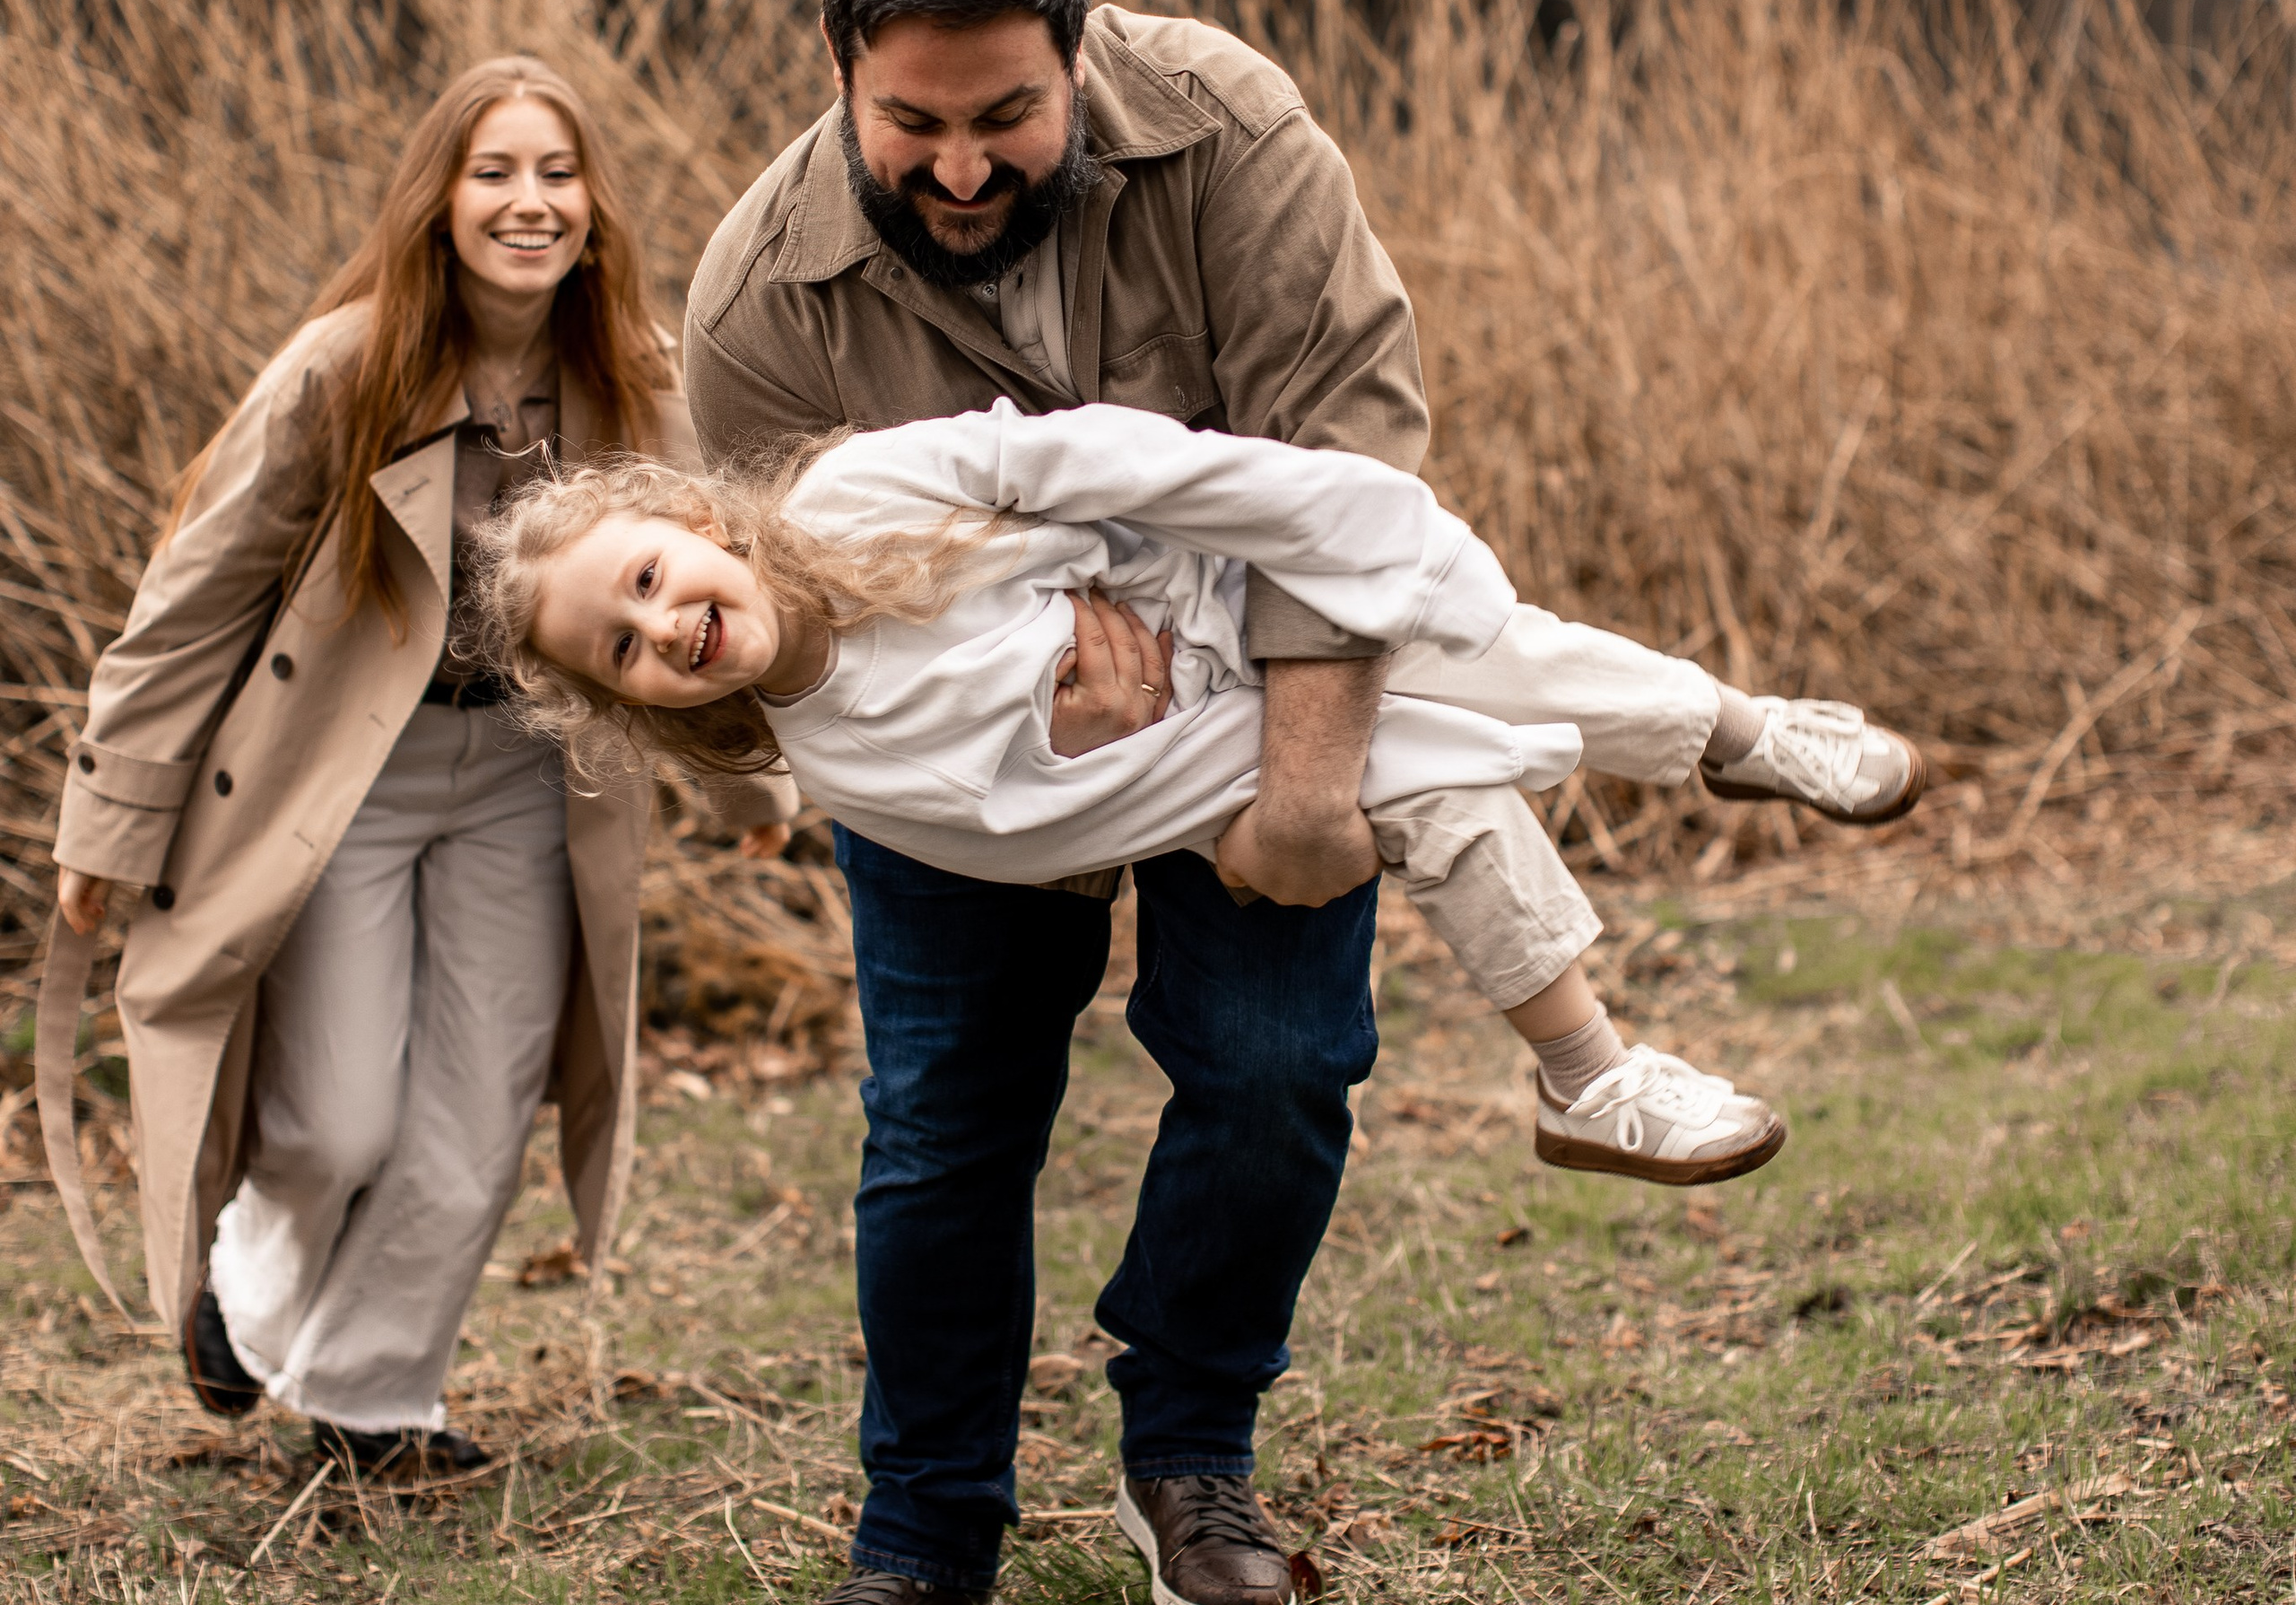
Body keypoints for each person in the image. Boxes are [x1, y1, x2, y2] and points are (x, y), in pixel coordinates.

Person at [673, 0, 1921, 1605]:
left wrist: (1306, 789)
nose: (958, 168)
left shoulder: (1230, 128)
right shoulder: (758, 302)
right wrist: (991, 711)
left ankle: (1188, 1457)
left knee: (1274, 1070)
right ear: (835, 69)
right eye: (911, 124)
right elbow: (746, 630)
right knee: (943, 1123)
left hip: (1261, 683)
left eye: (1006, 115)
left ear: (1079, 48)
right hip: (963, 761)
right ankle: (924, 1528)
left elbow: (1343, 458)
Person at [474, 401, 1926, 1184]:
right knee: (1448, 802)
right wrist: (1207, 796)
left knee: (1510, 651)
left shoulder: (859, 497)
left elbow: (1078, 464)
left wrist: (1300, 520)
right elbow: (1028, 827)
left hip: (1239, 596)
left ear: (690, 522)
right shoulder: (845, 763)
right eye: (625, 649)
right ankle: (1591, 1076)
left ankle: (1743, 732)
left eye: (652, 579)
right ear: (637, 708)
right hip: (1204, 769)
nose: (664, 625)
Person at [40, 57, 795, 1480]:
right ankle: (245, 1309)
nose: (529, 203)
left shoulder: (633, 369)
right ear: (440, 201)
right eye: (495, 172)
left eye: (557, 174)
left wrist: (755, 784)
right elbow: (191, 603)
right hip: (348, 778)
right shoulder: (347, 365)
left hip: (532, 774)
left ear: (594, 205)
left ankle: (377, 1403)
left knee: (472, 1113)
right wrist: (109, 822)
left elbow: (715, 582)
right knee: (332, 1118)